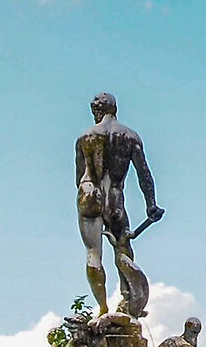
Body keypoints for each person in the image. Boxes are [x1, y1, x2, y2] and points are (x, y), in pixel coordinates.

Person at [76, 92, 162, 317]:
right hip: (114, 196)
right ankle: (126, 298)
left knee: (93, 253)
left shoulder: (85, 136)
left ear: (97, 111)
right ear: (115, 109)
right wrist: (151, 204)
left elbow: (78, 178)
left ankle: (103, 307)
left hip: (89, 192)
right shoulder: (130, 136)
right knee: (123, 246)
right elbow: (144, 174)